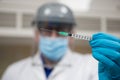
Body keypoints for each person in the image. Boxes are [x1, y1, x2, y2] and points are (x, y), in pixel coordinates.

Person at [1, 3, 120, 80]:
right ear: (37, 35)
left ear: (71, 35)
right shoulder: (14, 72)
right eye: (47, 31)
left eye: (60, 30)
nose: (53, 37)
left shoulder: (91, 65)